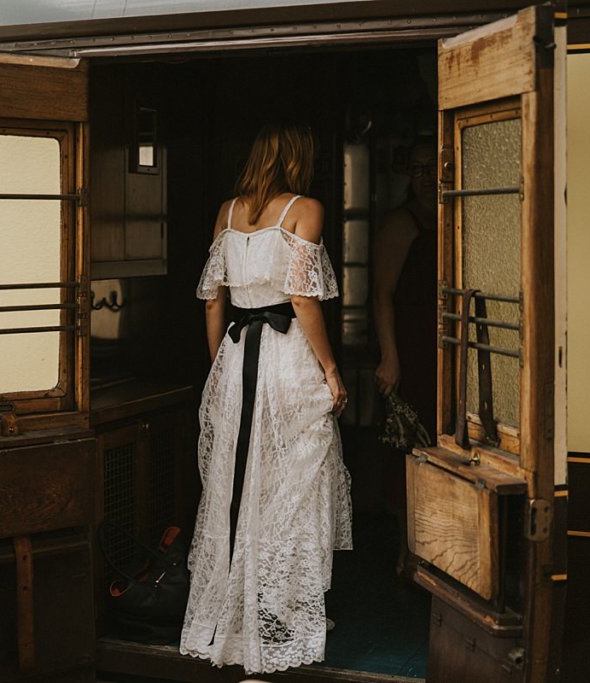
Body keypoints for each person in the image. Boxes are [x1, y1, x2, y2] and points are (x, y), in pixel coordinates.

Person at [181, 123, 353, 674]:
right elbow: (302, 300)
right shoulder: (305, 208)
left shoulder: (227, 212)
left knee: (237, 479)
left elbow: (213, 302)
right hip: (286, 361)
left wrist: (220, 368)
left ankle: (239, 611)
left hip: (237, 358)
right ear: (299, 159)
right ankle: (283, 610)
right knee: (294, 481)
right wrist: (330, 369)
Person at [372, 138, 438, 576]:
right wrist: (390, 357)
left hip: (447, 344)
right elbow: (382, 295)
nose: (426, 179)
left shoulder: (455, 212)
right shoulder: (401, 223)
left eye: (433, 168)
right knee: (411, 448)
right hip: (412, 344)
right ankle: (409, 553)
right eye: (416, 170)